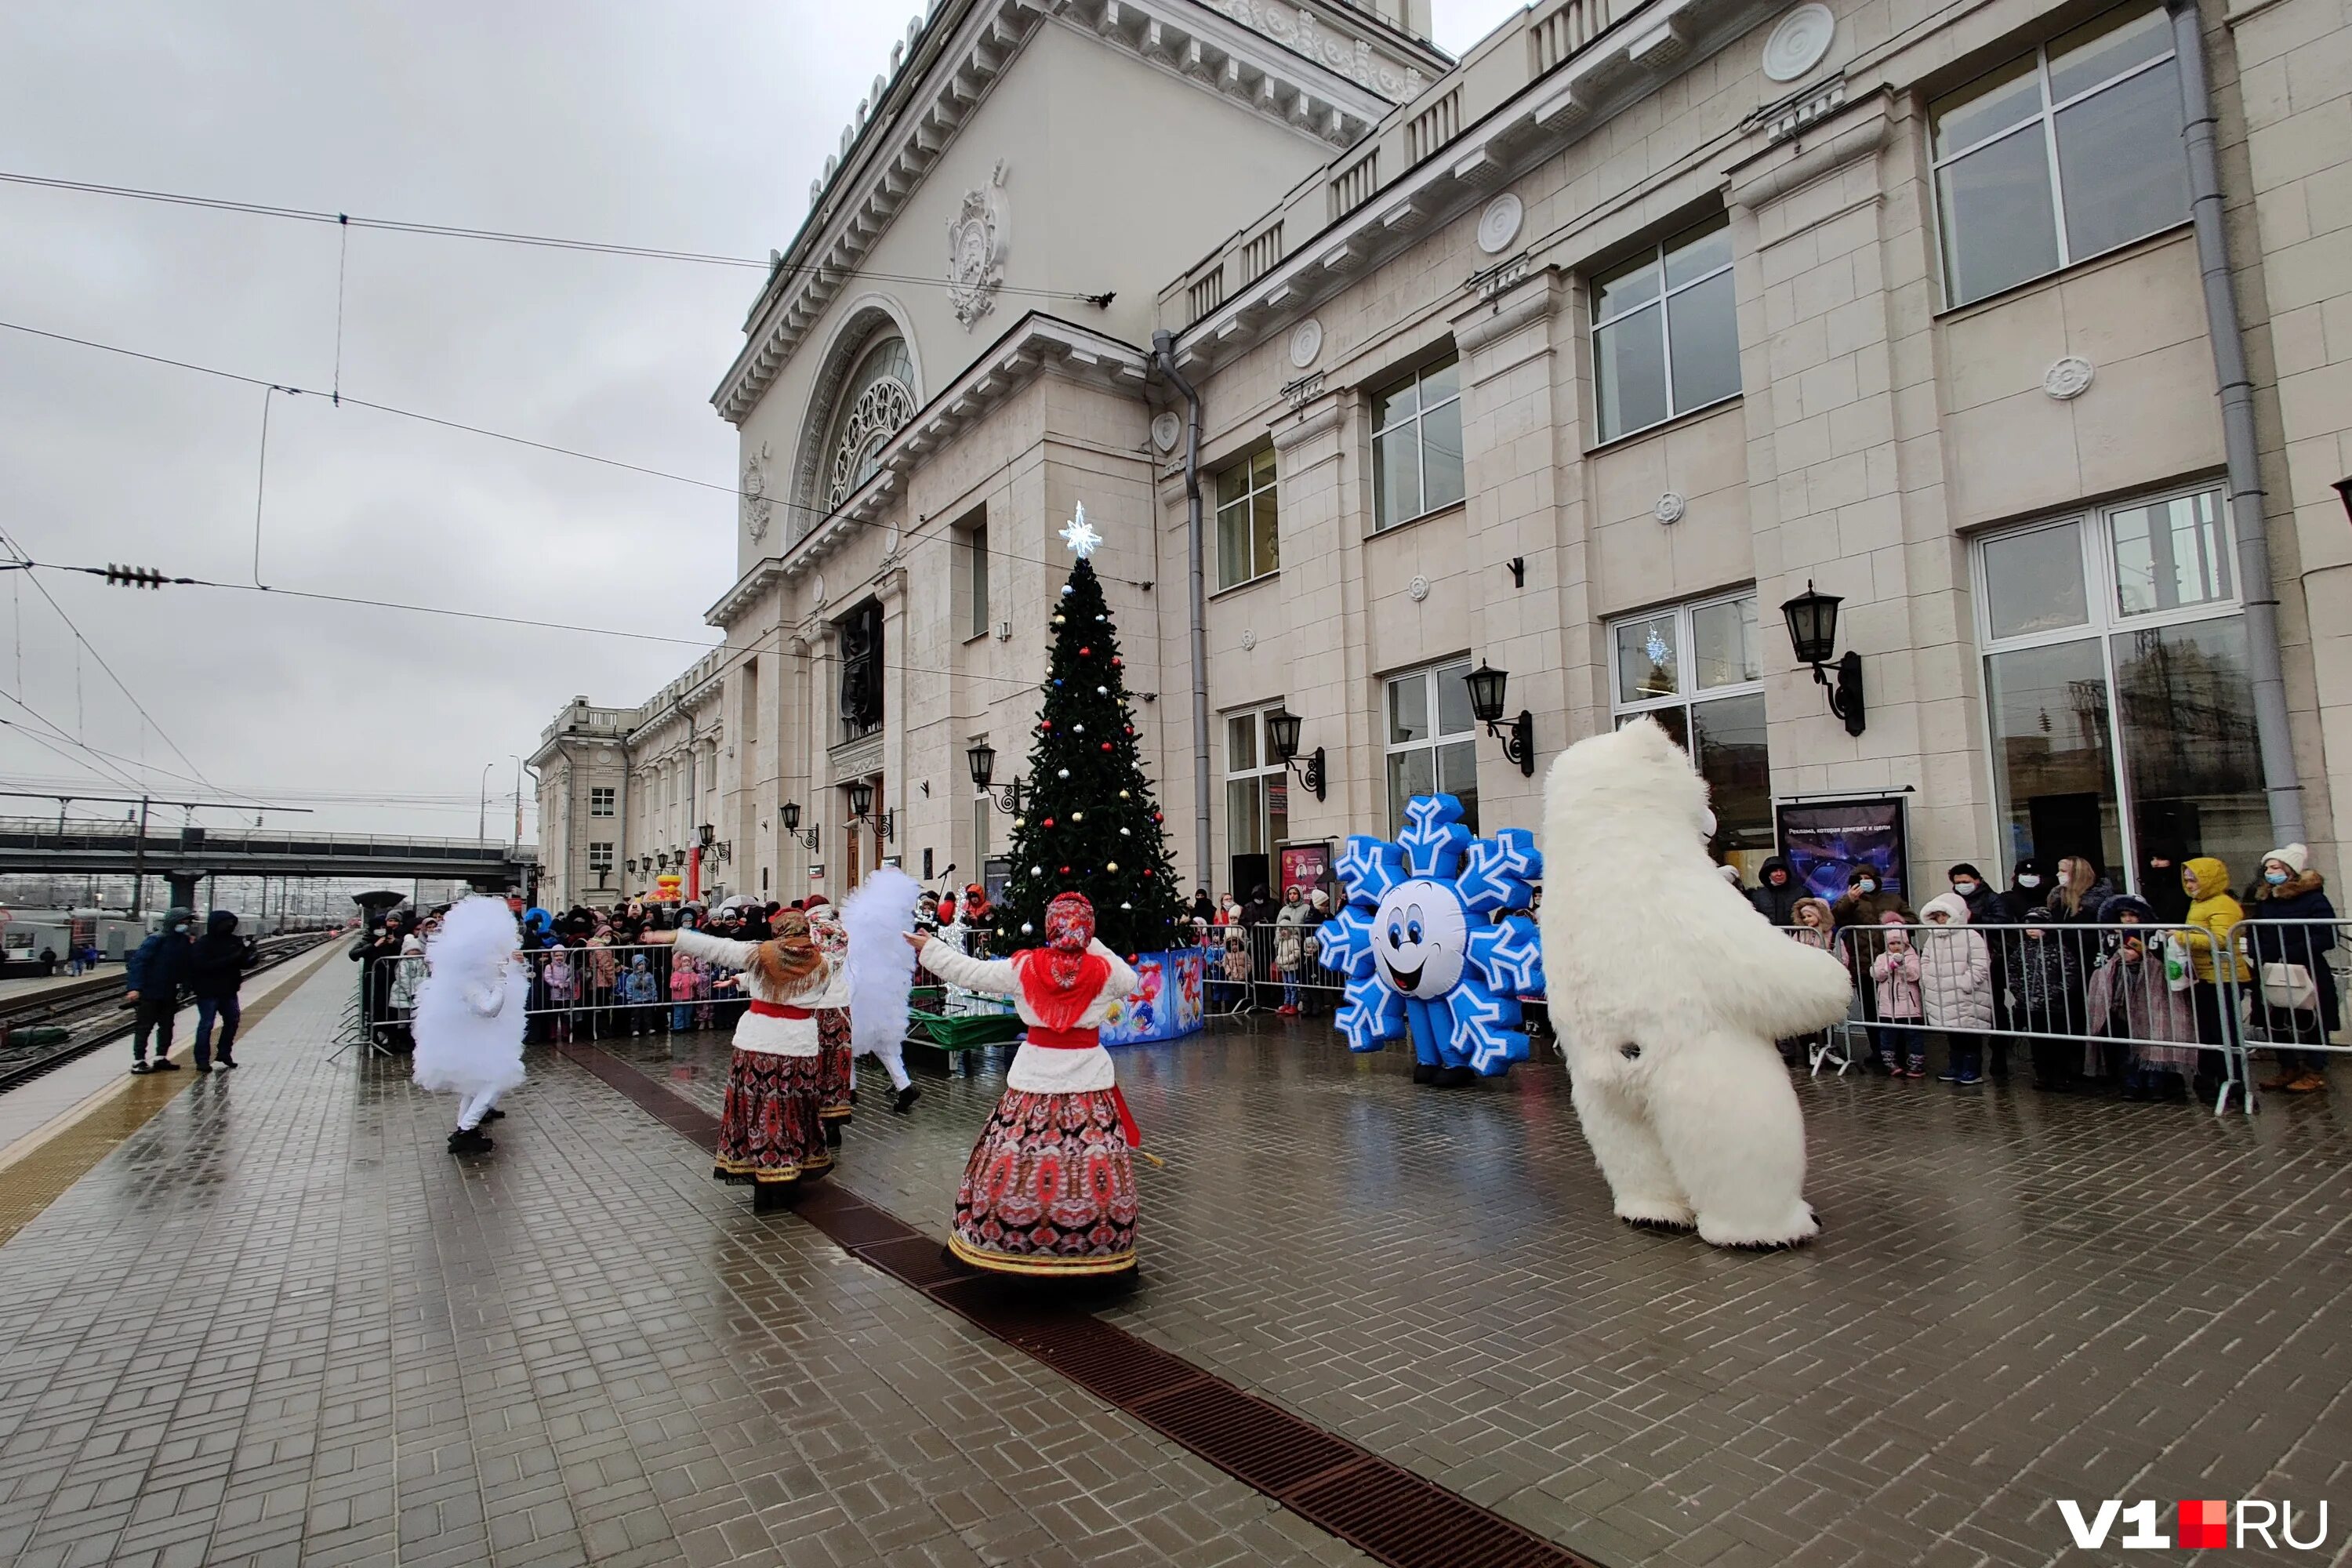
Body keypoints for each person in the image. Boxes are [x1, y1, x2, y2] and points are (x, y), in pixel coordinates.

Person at [910, 891, 1144, 1276]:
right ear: (1088, 928)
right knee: (1090, 1161)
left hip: (1034, 1079)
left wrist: (931, 948)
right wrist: (1093, 943)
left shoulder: (1025, 967)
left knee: (1019, 1157)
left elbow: (971, 972)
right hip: (1087, 1080)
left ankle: (1012, 1242)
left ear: (1050, 926)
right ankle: (1094, 1246)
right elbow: (1131, 978)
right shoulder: (1106, 973)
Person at [646, 908, 844, 1203]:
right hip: (799, 1047)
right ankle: (788, 1173)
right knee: (793, 1109)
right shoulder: (824, 964)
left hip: (758, 1045)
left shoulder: (760, 955)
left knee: (757, 1109)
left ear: (778, 932)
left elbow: (718, 948)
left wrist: (673, 935)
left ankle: (762, 1175)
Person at [412, 896, 528, 1154]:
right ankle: (466, 1129)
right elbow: (489, 1008)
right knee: (495, 1080)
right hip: (472, 1039)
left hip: (475, 1040)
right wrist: (501, 981)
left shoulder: (465, 974)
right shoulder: (467, 981)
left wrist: (511, 965)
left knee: (475, 1084)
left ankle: (464, 1127)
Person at [2242, 844, 2338, 1095]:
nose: (2269, 871)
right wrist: (2257, 951)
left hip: (2306, 969)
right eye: (2267, 867)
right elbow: (2254, 930)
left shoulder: (2314, 898)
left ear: (2291, 870)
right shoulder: (2266, 899)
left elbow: (2326, 935)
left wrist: (2292, 952)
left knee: (2313, 1020)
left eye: (2275, 867)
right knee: (2276, 1020)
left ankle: (2315, 1070)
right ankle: (2288, 1067)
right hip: (2271, 969)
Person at [2085, 895, 2201, 1100]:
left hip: (2154, 994)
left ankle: (2156, 1085)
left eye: (2133, 915)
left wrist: (2141, 952)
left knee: (2155, 1038)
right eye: (2123, 915)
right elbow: (2100, 962)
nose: (2128, 920)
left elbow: (2169, 960)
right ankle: (2131, 1085)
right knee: (2125, 1042)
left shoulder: (2156, 935)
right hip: (2121, 996)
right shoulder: (2110, 936)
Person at [2176, 856, 2249, 1085]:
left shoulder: (2222, 904)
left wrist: (2180, 937)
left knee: (2225, 1030)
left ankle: (2233, 1078)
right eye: (2186, 880)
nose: (2189, 885)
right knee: (2208, 1030)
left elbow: (2220, 939)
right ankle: (2210, 1075)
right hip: (2204, 976)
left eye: (2194, 881)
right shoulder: (2198, 903)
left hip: (2224, 977)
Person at [1918, 893, 1992, 1084]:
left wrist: (1966, 983)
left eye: (1945, 915)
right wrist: (1929, 979)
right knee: (1952, 1033)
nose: (1941, 920)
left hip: (1965, 995)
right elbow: (1925, 960)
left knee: (1969, 1033)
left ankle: (1972, 1070)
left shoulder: (1971, 935)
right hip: (1942, 993)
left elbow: (1980, 963)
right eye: (1938, 916)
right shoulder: (1933, 937)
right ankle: (1956, 1066)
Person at [2013, 908, 2083, 1090]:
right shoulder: (2022, 949)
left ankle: (2061, 1076)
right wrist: (2018, 992)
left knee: (2058, 1043)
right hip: (2030, 1006)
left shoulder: (2059, 949)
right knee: (2037, 1043)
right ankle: (2042, 1075)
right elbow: (2012, 971)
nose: (2032, 930)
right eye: (2028, 926)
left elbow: (2070, 974)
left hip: (2055, 1007)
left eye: (2037, 925)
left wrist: (2055, 993)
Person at [124, 907, 196, 1074]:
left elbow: (186, 965)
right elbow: (139, 964)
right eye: (183, 922)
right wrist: (135, 988)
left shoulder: (183, 941)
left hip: (169, 991)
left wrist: (186, 986)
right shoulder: (156, 940)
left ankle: (161, 1057)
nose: (185, 925)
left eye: (187, 922)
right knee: (145, 1026)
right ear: (173, 922)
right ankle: (139, 1060)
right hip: (150, 991)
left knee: (167, 1026)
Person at [184, 910, 252, 1072]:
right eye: (226, 923)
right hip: (208, 990)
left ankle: (224, 1053)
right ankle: (202, 1060)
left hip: (229, 990)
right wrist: (232, 959)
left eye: (231, 923)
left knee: (233, 1021)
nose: (229, 926)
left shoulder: (235, 942)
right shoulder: (203, 944)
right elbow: (202, 966)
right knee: (206, 1025)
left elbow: (242, 963)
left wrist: (250, 956)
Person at [1867, 911, 1925, 1076]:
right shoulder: (1882, 957)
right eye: (1892, 944)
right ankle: (1890, 1063)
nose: (1896, 947)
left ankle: (1917, 1064)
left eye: (1899, 943)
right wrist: (1888, 967)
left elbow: (1914, 975)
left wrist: (1901, 966)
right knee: (1887, 1036)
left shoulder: (1912, 957)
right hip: (1888, 1007)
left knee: (1914, 1036)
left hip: (1909, 1006)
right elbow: (1876, 974)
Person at [1272, 887, 1311, 1015]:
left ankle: (1296, 1003)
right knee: (1287, 982)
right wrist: (1277, 941)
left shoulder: (1305, 908)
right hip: (1284, 944)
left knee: (1295, 980)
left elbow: (1307, 924)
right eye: (1290, 894)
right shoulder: (1284, 910)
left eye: (1295, 893)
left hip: (1298, 942)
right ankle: (1287, 1002)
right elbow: (1278, 927)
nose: (1292, 896)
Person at [1748, 858, 1802, 926]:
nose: (1779, 874)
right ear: (1768, 874)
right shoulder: (1757, 896)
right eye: (1775, 871)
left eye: (1782, 870)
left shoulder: (1801, 893)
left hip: (1795, 935)